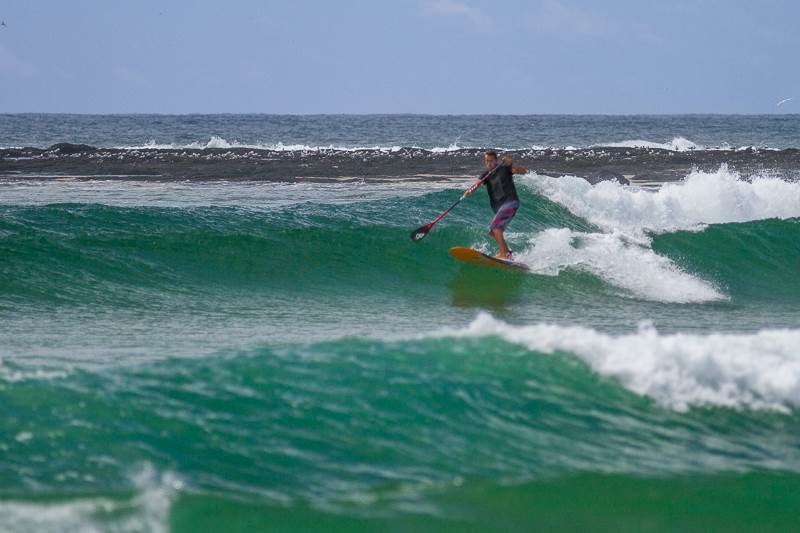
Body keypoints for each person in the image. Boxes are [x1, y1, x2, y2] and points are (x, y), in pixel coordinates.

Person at [465, 150, 528, 259]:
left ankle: (503, 255)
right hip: (501, 207)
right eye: (486, 161)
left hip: (511, 202)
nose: (489, 163)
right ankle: (508, 253)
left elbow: (523, 171)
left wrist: (511, 164)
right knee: (494, 232)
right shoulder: (486, 175)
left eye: (491, 161)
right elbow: (477, 184)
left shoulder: (504, 168)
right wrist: (470, 190)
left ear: (496, 161)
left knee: (496, 228)